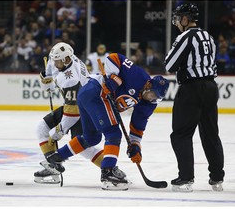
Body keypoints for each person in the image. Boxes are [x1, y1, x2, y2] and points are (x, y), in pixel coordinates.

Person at [46, 53, 169, 190]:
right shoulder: (138, 75)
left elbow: (138, 125)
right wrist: (113, 78)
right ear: (148, 85)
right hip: (95, 92)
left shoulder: (149, 103)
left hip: (88, 96)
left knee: (91, 138)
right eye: (152, 95)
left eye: (156, 98)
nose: (152, 99)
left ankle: (56, 157)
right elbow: (114, 57)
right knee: (113, 133)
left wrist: (135, 145)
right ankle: (108, 172)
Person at [165, 3, 225, 192]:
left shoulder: (185, 36)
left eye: (178, 18)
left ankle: (186, 178)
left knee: (181, 134)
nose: (176, 22)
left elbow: (170, 65)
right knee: (210, 134)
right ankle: (217, 178)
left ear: (185, 19)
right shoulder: (208, 36)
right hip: (210, 87)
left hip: (192, 88)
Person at [34, 42, 105, 184]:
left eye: (57, 61)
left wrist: (59, 132)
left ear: (66, 59)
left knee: (83, 148)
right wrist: (47, 80)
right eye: (54, 60)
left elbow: (73, 113)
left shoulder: (71, 78)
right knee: (41, 128)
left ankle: (109, 168)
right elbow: (50, 67)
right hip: (74, 105)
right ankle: (54, 166)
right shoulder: (66, 58)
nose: (54, 63)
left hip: (83, 110)